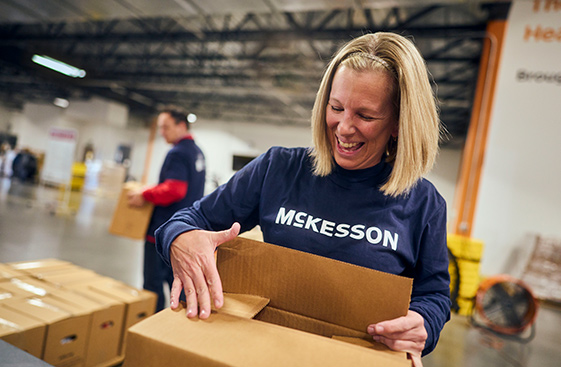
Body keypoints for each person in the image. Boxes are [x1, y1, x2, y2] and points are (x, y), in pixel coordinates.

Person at [155, 32, 450, 363]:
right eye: (335, 107)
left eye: (365, 116)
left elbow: (434, 293)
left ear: (398, 123)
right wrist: (179, 238)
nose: (343, 127)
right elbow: (189, 219)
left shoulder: (424, 204)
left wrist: (424, 323)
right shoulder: (278, 168)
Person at [128, 106, 206, 312]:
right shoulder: (197, 152)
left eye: (166, 127)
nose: (162, 132)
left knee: (152, 286)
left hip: (162, 232)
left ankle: (149, 327)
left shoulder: (178, 153)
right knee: (178, 284)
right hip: (184, 231)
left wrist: (144, 194)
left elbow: (175, 189)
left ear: (181, 126)